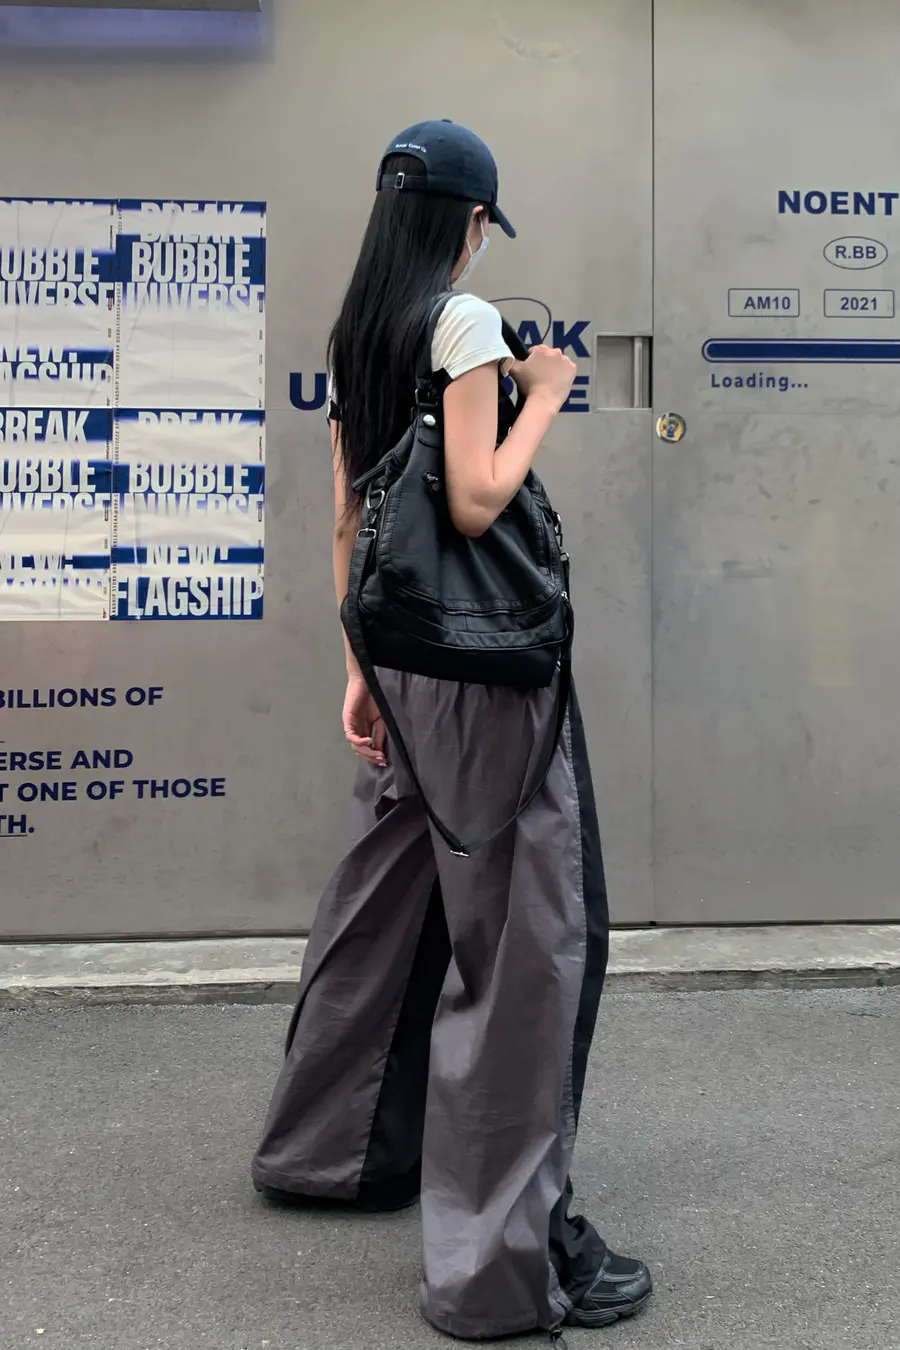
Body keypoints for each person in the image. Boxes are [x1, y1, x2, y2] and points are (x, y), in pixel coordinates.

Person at [251, 119, 653, 1340]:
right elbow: (476, 501)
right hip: (483, 669)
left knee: (386, 904)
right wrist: (549, 395)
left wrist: (358, 669)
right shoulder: (463, 322)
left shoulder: (360, 330)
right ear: (471, 223)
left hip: (399, 660)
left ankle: (331, 1150)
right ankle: (502, 1263)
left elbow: (347, 518)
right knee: (531, 938)